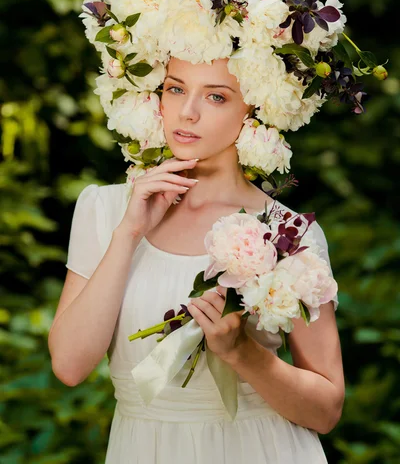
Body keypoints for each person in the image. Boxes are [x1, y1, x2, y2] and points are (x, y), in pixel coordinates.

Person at [48, 53, 344, 463]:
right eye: (176, 89)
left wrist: (242, 351)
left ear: (253, 108)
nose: (187, 113)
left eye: (216, 97)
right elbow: (69, 365)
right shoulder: (105, 209)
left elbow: (326, 410)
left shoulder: (288, 233)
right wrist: (128, 233)